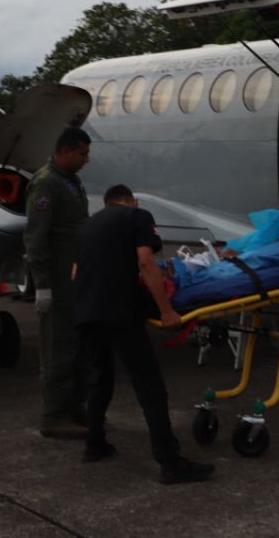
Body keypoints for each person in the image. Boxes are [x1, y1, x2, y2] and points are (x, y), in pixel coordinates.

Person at [73, 184, 214, 485]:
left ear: (106, 205)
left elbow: (75, 274)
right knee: (150, 387)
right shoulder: (137, 216)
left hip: (85, 312)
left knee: (100, 377)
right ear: (132, 202)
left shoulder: (87, 226)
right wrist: (165, 311)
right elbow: (147, 262)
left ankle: (93, 444)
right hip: (118, 314)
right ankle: (170, 462)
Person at [24, 127, 93, 439]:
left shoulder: (68, 180)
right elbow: (36, 239)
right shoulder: (46, 183)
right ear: (65, 151)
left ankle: (75, 408)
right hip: (57, 281)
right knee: (58, 349)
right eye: (82, 153)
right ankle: (53, 416)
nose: (86, 160)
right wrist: (42, 284)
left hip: (75, 280)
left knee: (78, 348)